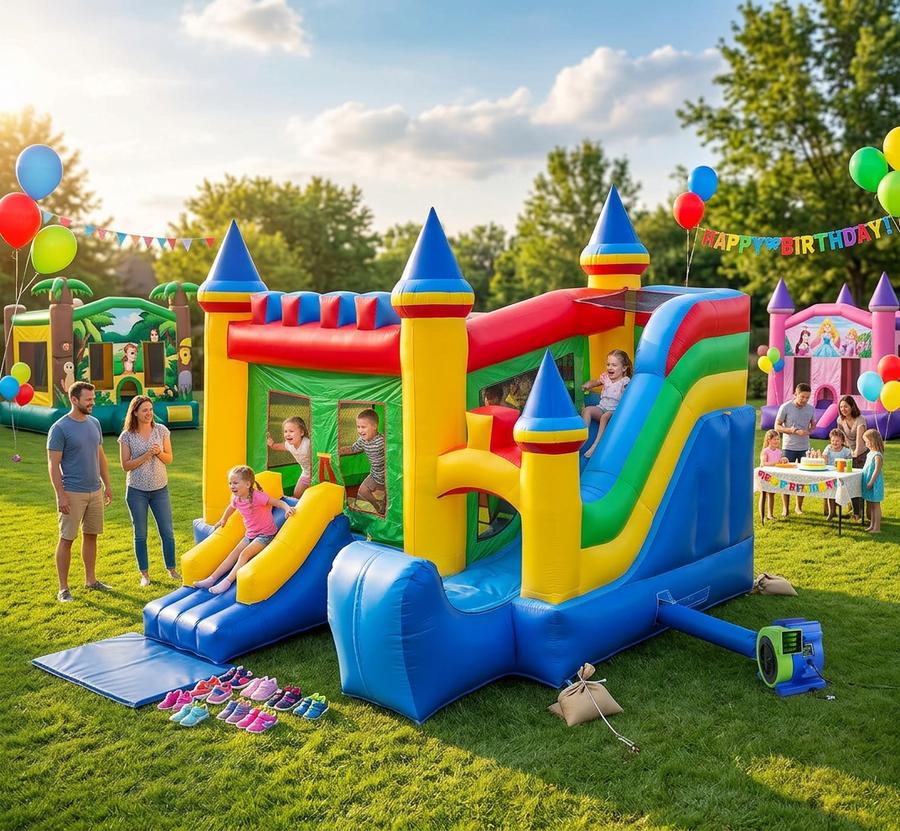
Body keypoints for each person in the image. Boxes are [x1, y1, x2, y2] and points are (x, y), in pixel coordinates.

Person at [46, 381, 113, 602]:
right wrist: (60, 494)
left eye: (93, 399)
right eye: (88, 400)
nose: (92, 403)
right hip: (72, 492)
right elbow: (53, 465)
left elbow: (100, 456)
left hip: (94, 490)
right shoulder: (59, 428)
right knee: (67, 538)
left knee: (91, 536)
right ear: (74, 400)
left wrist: (107, 484)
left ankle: (91, 580)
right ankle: (63, 588)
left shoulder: (94, 423)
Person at [194, 466, 295, 594]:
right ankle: (211, 578)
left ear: (247, 484)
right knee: (233, 554)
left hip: (265, 535)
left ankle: (227, 581)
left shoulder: (258, 497)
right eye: (230, 483)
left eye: (235, 483)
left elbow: (278, 503)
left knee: (244, 554)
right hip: (250, 534)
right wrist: (223, 520)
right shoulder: (236, 498)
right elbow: (230, 508)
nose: (232, 486)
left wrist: (287, 509)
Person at [118, 395, 178, 586]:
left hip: (160, 489)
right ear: (135, 412)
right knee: (140, 534)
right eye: (144, 410)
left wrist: (158, 452)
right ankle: (144, 574)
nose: (149, 413)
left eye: (150, 409)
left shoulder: (161, 431)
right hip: (136, 491)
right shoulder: (126, 435)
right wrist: (146, 455)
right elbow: (125, 465)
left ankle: (172, 569)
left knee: (167, 532)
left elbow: (169, 459)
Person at [581, 349, 632, 459]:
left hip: (614, 413)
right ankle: (582, 436)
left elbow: (631, 394)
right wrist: (588, 385)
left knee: (605, 417)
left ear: (624, 368)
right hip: (602, 408)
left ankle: (596, 445)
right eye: (608, 364)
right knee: (587, 410)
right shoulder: (606, 378)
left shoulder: (625, 381)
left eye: (614, 365)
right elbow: (596, 382)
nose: (610, 367)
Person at [774, 383, 815, 516]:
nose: (804, 400)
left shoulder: (810, 409)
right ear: (795, 395)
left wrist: (808, 431)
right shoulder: (785, 407)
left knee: (801, 479)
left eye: (807, 397)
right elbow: (777, 427)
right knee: (786, 478)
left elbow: (813, 426)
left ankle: (798, 507)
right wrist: (791, 430)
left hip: (804, 449)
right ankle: (785, 508)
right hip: (788, 448)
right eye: (802, 397)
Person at [339, 408, 386, 516]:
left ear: (374, 427)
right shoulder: (362, 440)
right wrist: (339, 450)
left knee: (389, 496)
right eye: (358, 427)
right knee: (362, 491)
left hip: (387, 476)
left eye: (363, 427)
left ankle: (384, 505)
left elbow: (391, 455)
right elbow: (353, 449)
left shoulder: (381, 441)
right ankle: (378, 506)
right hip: (375, 474)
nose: (360, 430)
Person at [837, 395, 867, 522]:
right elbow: (840, 439)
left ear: (852, 407)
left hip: (861, 455)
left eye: (846, 406)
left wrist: (853, 456)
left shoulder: (860, 420)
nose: (843, 409)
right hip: (850, 454)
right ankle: (852, 510)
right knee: (847, 484)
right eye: (841, 406)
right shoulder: (840, 420)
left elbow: (860, 445)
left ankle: (858, 514)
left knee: (857, 485)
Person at [267, 416, 311, 499]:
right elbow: (278, 446)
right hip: (306, 473)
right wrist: (272, 444)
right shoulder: (289, 445)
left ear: (301, 432)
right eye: (285, 431)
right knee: (296, 495)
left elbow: (320, 451)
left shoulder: (307, 444)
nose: (287, 434)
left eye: (291, 431)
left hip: (318, 473)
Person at [822, 429, 852, 520]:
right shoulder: (828, 448)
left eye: (837, 441)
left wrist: (844, 464)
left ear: (842, 441)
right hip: (830, 475)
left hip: (841, 476)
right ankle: (831, 512)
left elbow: (849, 463)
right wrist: (824, 458)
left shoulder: (846, 451)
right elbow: (825, 458)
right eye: (833, 440)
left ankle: (841, 512)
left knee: (840, 494)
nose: (834, 443)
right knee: (830, 493)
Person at [860, 429, 884, 534]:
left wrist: (871, 482)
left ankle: (877, 527)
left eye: (867, 441)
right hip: (868, 482)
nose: (866, 444)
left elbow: (876, 471)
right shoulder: (870, 453)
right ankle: (872, 525)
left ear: (873, 440)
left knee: (875, 505)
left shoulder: (877, 455)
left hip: (874, 483)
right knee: (871, 506)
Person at [758, 429, 784, 521]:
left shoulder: (779, 452)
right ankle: (762, 516)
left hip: (774, 477)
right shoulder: (765, 451)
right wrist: (776, 463)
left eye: (778, 439)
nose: (777, 441)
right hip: (765, 476)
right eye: (775, 439)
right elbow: (763, 463)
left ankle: (770, 514)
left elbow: (779, 463)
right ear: (769, 440)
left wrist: (783, 461)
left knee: (772, 494)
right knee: (764, 494)